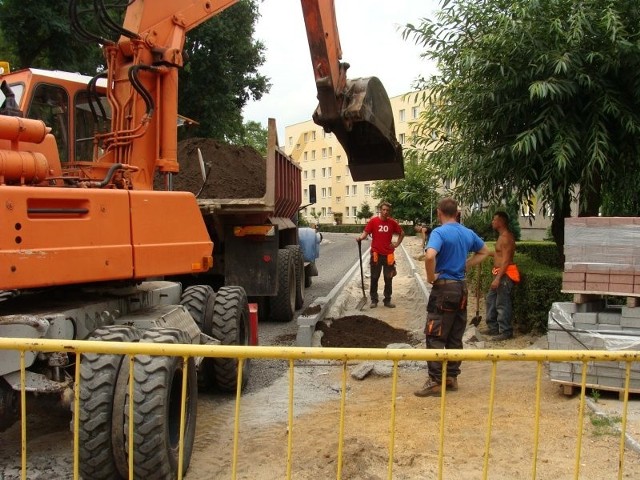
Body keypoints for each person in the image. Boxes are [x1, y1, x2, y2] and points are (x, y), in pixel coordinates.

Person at [414, 198, 489, 397]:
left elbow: (430, 256)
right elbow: (484, 251)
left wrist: (431, 277)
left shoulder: (439, 232)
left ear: (439, 212)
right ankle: (452, 377)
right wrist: (467, 264)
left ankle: (436, 381)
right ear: (456, 213)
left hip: (444, 289)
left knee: (436, 334)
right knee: (455, 334)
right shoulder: (467, 232)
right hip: (461, 289)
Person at [356, 201, 405, 308]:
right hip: (376, 254)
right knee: (374, 277)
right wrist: (360, 238)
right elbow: (365, 233)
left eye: (387, 210)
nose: (385, 212)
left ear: (389, 211)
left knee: (389, 278)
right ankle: (374, 300)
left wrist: (396, 244)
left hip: (388, 255)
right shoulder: (373, 221)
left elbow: (402, 233)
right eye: (383, 210)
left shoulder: (392, 223)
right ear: (380, 210)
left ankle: (387, 300)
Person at [480, 211, 519, 341]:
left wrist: (497, 278)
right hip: (500, 274)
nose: (492, 222)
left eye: (494, 219)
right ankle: (493, 328)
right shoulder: (501, 237)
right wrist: (485, 253)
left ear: (501, 222)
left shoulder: (506, 238)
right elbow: (499, 254)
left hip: (504, 275)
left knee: (502, 303)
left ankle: (505, 331)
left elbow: (506, 260)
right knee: (491, 299)